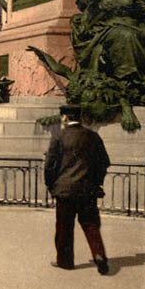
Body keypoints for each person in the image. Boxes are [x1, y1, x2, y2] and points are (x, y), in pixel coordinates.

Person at [45, 104, 111, 275]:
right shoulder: (93, 136)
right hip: (87, 190)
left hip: (65, 190)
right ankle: (99, 254)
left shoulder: (59, 136)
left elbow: (50, 165)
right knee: (91, 225)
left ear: (65, 118)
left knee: (64, 227)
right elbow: (104, 162)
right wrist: (96, 182)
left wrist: (51, 184)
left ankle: (65, 262)